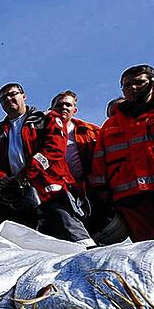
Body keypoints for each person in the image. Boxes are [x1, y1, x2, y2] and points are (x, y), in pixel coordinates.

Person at [0, 83, 94, 246]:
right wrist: (2, 179)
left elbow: (54, 148)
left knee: (73, 234)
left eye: (13, 94)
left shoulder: (46, 118)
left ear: (23, 96)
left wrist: (26, 175)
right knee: (34, 246)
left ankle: (96, 264)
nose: (8, 99)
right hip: (20, 198)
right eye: (3, 97)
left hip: (52, 191)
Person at [90, 65, 154, 240]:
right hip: (130, 196)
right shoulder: (111, 124)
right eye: (126, 85)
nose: (132, 88)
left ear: (153, 83)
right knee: (145, 249)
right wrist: (101, 192)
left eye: (139, 82)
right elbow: (99, 160)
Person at [49, 91, 107, 233]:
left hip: (89, 188)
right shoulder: (43, 132)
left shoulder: (91, 131)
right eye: (59, 105)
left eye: (68, 105)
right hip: (60, 189)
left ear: (74, 110)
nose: (63, 107)